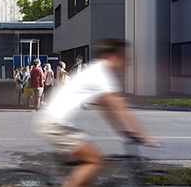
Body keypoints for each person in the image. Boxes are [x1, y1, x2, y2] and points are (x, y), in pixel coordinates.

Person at [35, 39, 154, 187]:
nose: (126, 63)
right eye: (123, 57)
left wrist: (125, 132)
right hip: (56, 124)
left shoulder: (97, 71)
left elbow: (110, 110)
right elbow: (121, 108)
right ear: (110, 56)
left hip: (55, 122)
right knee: (96, 161)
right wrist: (143, 136)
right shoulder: (101, 74)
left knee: (87, 176)